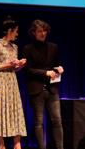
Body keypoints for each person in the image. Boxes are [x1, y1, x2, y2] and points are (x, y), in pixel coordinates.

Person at [22, 19, 65, 149]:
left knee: (57, 121)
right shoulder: (27, 49)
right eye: (40, 31)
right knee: (39, 122)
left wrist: (60, 68)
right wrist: (46, 73)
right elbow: (28, 70)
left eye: (45, 31)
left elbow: (57, 64)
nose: (43, 33)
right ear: (33, 33)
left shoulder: (53, 47)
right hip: (36, 90)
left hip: (52, 89)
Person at [0, 17, 28, 149]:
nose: (17, 34)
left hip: (12, 81)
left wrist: (20, 65)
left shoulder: (14, 47)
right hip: (0, 81)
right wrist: (7, 64)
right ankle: (1, 144)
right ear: (9, 30)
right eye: (15, 31)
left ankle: (17, 142)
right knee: (0, 109)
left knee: (14, 108)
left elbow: (14, 68)